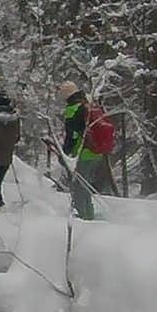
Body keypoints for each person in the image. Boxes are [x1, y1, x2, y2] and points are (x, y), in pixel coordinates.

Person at [59, 81, 105, 220]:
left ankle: (84, 219)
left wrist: (65, 154)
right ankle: (89, 214)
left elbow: (71, 135)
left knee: (79, 187)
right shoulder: (88, 104)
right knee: (85, 186)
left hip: (83, 152)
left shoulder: (73, 109)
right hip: (96, 151)